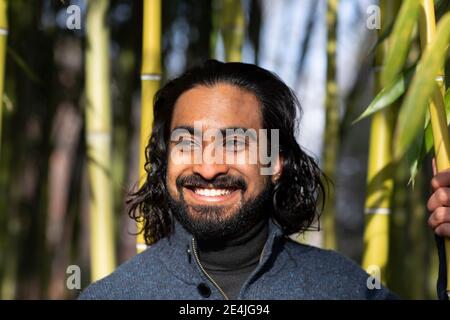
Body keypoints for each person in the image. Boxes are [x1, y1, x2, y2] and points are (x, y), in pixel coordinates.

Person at [79, 60, 447, 300]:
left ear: (277, 162)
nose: (208, 168)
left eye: (236, 142)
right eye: (187, 142)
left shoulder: (342, 288)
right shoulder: (112, 296)